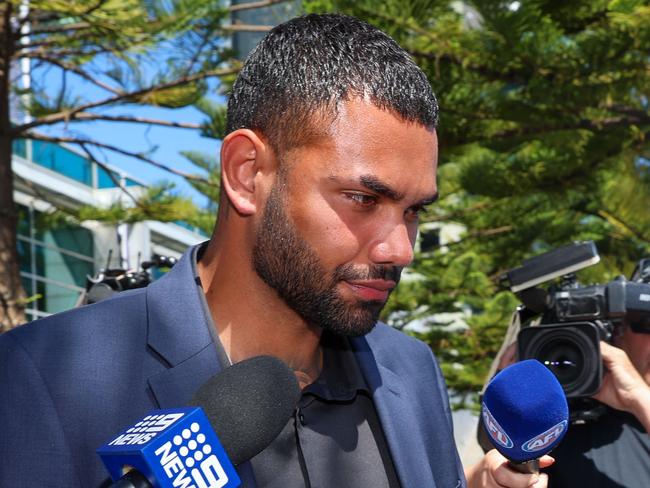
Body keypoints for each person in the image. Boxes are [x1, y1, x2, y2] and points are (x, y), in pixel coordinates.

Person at [0, 13, 547, 488]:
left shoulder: (411, 369)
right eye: (362, 198)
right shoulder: (39, 379)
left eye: (413, 211)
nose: (400, 249)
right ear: (247, 173)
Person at [488, 327, 650, 487]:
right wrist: (505, 389)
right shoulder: (530, 428)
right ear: (618, 334)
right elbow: (488, 466)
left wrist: (638, 396)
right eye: (646, 324)